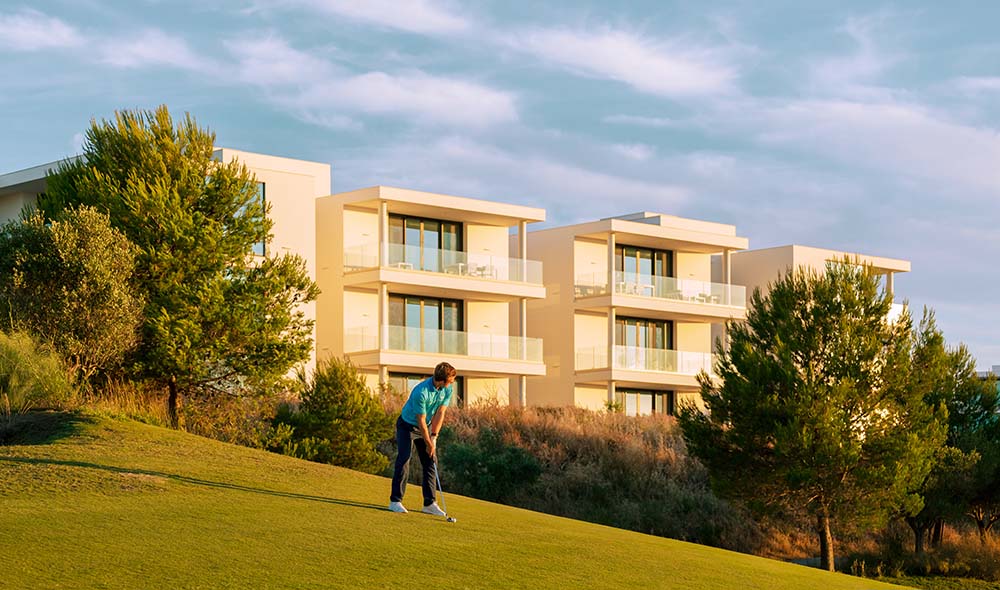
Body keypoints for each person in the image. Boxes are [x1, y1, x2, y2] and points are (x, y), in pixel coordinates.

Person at [388, 362, 457, 515]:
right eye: (451, 380)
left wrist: (434, 437)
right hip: (407, 426)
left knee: (431, 461)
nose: (452, 383)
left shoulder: (447, 389)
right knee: (404, 459)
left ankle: (429, 503)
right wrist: (428, 442)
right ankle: (395, 501)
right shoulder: (421, 392)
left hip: (425, 426)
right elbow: (420, 421)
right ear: (442, 380)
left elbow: (440, 413)